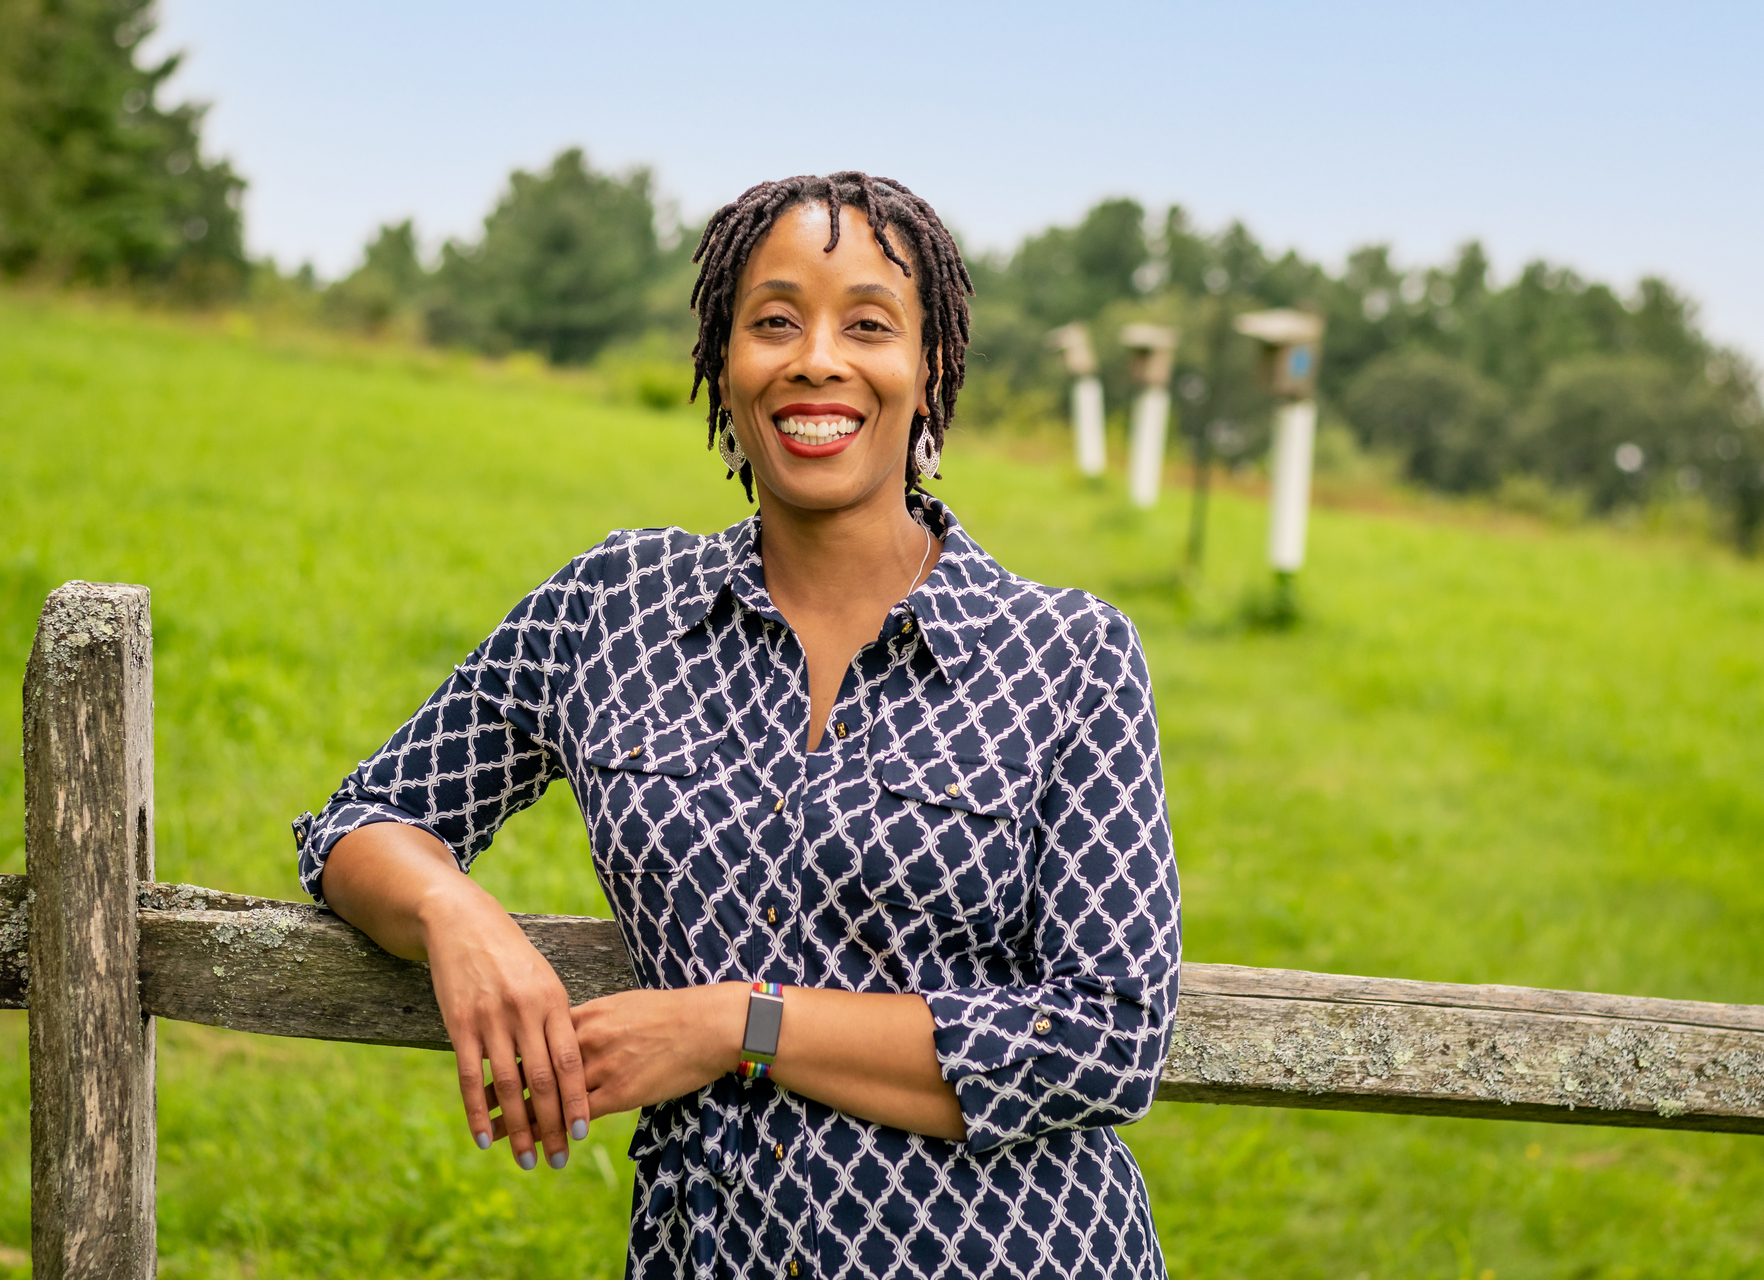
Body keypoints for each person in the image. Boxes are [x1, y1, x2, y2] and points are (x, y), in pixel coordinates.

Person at [294, 172, 1181, 1280]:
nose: (817, 357)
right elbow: (359, 823)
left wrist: (740, 1022)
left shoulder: (1070, 656)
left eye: (869, 322)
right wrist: (451, 908)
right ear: (724, 363)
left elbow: (1108, 1036)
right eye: (773, 321)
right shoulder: (611, 608)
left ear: (931, 366)